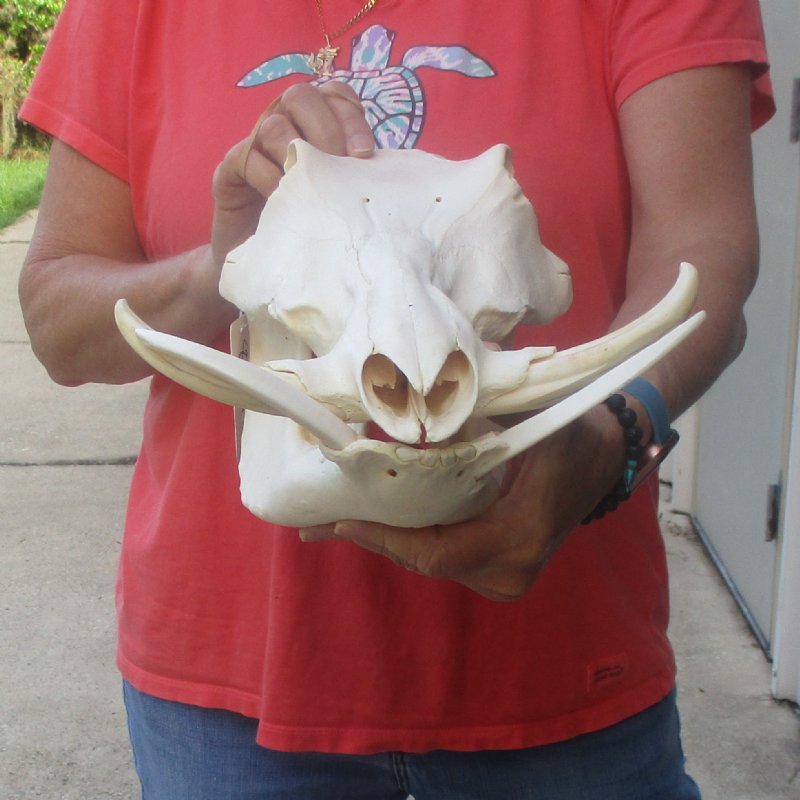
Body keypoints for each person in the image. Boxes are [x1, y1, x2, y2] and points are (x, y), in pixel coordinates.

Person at [18, 1, 774, 798]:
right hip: (226, 697)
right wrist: (231, 268)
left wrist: (611, 436)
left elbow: (704, 254)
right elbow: (59, 322)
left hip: (564, 677)